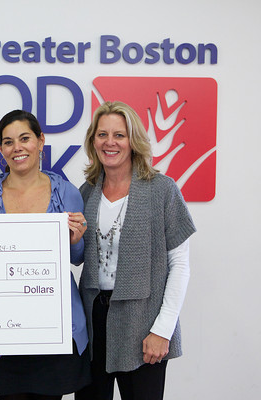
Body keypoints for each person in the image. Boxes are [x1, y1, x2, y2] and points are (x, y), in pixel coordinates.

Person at [0, 109, 91, 400]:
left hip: (54, 329)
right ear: (0, 149)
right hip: (1, 333)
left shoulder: (68, 194)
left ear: (41, 141)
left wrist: (75, 239)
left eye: (25, 138)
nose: (17, 147)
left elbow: (76, 257)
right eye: (8, 142)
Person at [74, 101, 196, 400]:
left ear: (134, 141)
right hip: (94, 320)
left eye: (119, 134)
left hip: (144, 321)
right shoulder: (86, 192)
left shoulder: (162, 190)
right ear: (93, 141)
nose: (110, 142)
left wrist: (162, 329)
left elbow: (179, 264)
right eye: (102, 134)